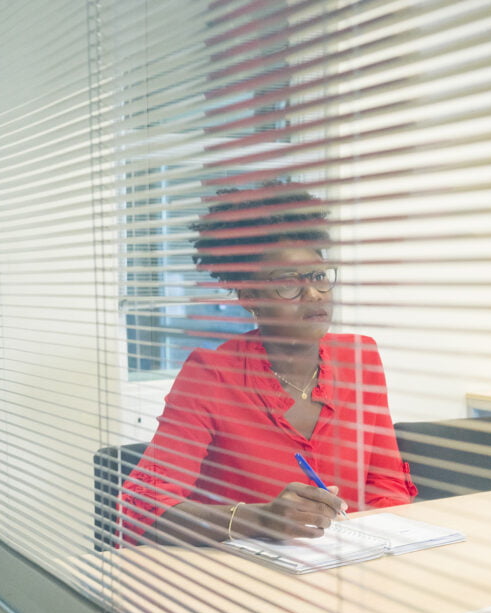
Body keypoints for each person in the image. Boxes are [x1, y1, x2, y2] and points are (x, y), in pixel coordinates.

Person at [120, 183, 416, 546]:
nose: (313, 294)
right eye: (289, 284)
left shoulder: (360, 358)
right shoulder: (212, 376)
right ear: (250, 297)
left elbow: (386, 483)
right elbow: (139, 508)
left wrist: (386, 540)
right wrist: (259, 518)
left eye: (319, 276)